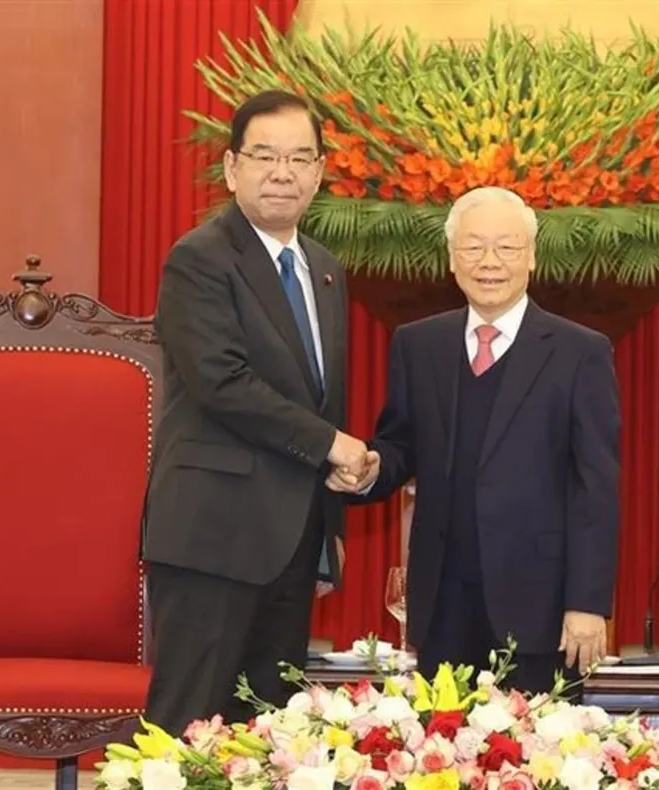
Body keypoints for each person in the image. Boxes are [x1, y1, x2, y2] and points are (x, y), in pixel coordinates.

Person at [329, 186, 621, 695]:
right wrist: (371, 470)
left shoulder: (580, 352)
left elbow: (595, 486)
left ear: (531, 257)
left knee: (540, 765)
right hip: (442, 602)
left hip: (541, 608)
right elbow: (400, 445)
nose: (490, 262)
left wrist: (587, 603)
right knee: (441, 758)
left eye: (506, 248)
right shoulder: (419, 345)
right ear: (451, 258)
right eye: (473, 247)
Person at [142, 90, 369, 734]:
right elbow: (222, 382)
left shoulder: (323, 268)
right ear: (232, 166)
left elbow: (322, 395)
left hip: (291, 542)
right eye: (265, 155)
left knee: (270, 737)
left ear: (320, 173)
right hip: (213, 536)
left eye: (300, 158)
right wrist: (333, 444)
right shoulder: (201, 257)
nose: (282, 172)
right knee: (187, 731)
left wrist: (329, 530)